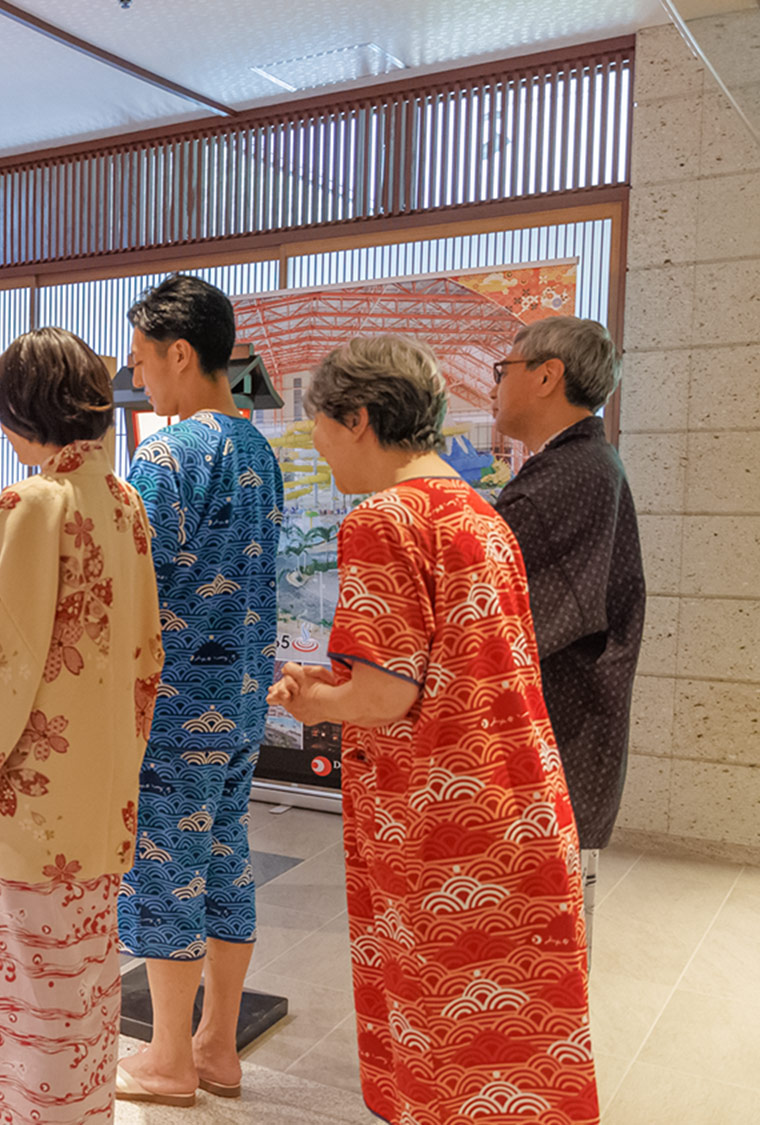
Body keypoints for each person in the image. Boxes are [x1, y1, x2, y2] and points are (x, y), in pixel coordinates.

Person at [267, 336, 599, 1125]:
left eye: (317, 423)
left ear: (359, 419)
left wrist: (317, 701)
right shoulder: (481, 514)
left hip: (440, 827)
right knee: (512, 1040)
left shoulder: (383, 518)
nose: (314, 442)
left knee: (443, 1041)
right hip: (516, 803)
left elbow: (384, 696)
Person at [0, 326, 163, 1124]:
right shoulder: (122, 502)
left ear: (27, 415)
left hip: (29, 802)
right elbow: (145, 655)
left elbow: (0, 658)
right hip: (99, 795)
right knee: (83, 993)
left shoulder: (33, 502)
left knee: (19, 997)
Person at [113, 275, 283, 1107]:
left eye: (144, 360)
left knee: (163, 870)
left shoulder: (166, 453)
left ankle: (168, 1057)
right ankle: (218, 1044)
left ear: (181, 353)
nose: (139, 378)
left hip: (176, 705)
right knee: (223, 859)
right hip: (244, 697)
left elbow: (128, 583)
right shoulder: (258, 450)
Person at [490, 316, 644, 961]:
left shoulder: (568, 476)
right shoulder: (577, 464)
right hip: (567, 733)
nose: (496, 385)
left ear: (547, 375)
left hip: (559, 734)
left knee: (533, 937)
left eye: (505, 370)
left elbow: (493, 610)